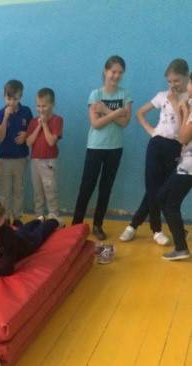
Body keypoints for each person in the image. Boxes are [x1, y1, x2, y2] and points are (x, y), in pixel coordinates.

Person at [120, 58, 190, 244]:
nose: (173, 85)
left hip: (175, 147)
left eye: (177, 80)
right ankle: (156, 230)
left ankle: (133, 225)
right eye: (169, 81)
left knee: (160, 191)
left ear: (186, 77)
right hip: (156, 144)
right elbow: (140, 112)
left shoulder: (188, 98)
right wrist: (152, 131)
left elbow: (184, 127)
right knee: (152, 188)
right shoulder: (162, 95)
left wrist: (175, 102)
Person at [71, 56, 132, 240]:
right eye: (113, 71)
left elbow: (125, 122)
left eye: (120, 72)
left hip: (115, 148)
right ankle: (76, 225)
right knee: (87, 186)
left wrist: (105, 111)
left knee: (106, 188)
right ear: (105, 71)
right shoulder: (95, 95)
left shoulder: (125, 95)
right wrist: (115, 113)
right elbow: (96, 123)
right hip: (95, 147)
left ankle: (98, 225)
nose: (116, 75)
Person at [0, 200, 60, 277]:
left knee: (37, 235)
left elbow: (7, 269)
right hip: (16, 235)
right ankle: (38, 220)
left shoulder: (8, 237)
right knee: (23, 230)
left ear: (1, 222)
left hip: (24, 244)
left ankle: (53, 221)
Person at [158, 73, 192, 260]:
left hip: (189, 164)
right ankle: (181, 240)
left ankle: (181, 248)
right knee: (165, 197)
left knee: (167, 200)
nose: (188, 87)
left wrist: (185, 112)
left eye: (190, 83)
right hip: (186, 163)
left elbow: (183, 137)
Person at [0, 79, 32, 223]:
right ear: (4, 96)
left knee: (18, 190)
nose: (12, 102)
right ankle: (5, 218)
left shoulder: (26, 111)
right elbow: (0, 137)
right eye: (9, 98)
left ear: (20, 97)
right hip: (5, 159)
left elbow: (33, 131)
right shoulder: (0, 113)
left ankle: (17, 217)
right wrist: (6, 117)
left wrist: (26, 135)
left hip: (21, 158)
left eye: (15, 99)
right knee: (5, 191)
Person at [26, 87, 64, 221]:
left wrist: (45, 125)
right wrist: (39, 126)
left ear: (52, 104)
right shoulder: (33, 121)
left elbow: (51, 141)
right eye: (38, 106)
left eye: (44, 106)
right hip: (35, 161)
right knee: (38, 193)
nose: (41, 109)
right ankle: (39, 218)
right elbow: (29, 142)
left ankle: (54, 218)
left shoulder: (57, 120)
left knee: (50, 191)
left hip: (49, 161)